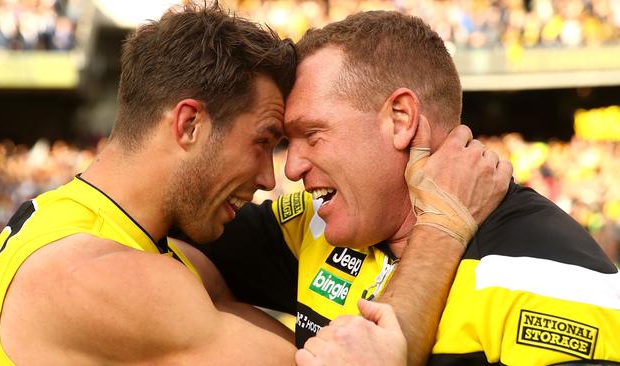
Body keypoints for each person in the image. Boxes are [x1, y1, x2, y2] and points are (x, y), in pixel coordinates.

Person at [0, 3, 507, 365]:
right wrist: (442, 225)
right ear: (189, 125)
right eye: (264, 140)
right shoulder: (106, 280)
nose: (269, 178)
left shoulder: (92, 226)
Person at [200, 11, 620, 366]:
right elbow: (161, 233)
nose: (291, 168)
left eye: (312, 134)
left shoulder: (553, 278)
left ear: (401, 119)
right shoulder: (309, 227)